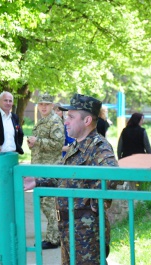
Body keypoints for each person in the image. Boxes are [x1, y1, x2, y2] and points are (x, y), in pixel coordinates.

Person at [24, 93, 122, 264]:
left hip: (86, 232)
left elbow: (113, 175)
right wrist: (37, 180)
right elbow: (65, 177)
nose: (65, 121)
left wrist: (89, 208)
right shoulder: (76, 145)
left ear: (87, 121)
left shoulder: (99, 146)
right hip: (69, 228)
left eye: (71, 116)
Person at [27, 93, 65, 249]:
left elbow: (58, 144)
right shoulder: (43, 120)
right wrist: (32, 144)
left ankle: (54, 239)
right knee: (45, 204)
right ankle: (53, 236)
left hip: (49, 169)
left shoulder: (55, 121)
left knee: (50, 205)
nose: (43, 107)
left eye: (47, 104)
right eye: (41, 104)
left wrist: (38, 141)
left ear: (52, 106)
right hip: (41, 168)